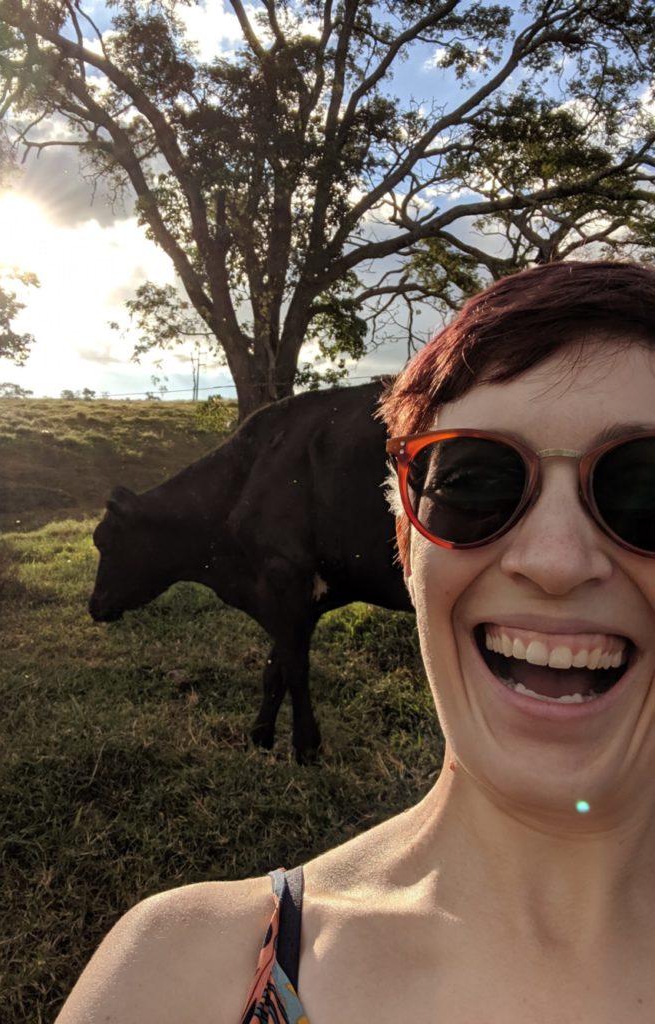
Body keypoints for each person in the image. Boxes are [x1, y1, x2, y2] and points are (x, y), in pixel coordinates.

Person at [56, 260, 655, 1023]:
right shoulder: (182, 974)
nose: (555, 561)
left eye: (645, 488)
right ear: (406, 544)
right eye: (472, 483)